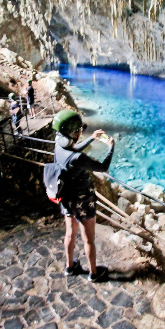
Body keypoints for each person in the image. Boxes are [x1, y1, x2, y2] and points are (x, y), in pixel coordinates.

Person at [53, 110, 114, 282]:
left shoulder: (58, 146)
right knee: (89, 239)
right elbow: (103, 167)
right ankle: (94, 273)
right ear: (74, 132)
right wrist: (111, 148)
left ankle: (69, 267)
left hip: (66, 197)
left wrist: (92, 138)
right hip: (83, 200)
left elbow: (72, 148)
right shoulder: (78, 158)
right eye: (79, 130)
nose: (80, 132)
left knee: (70, 233)